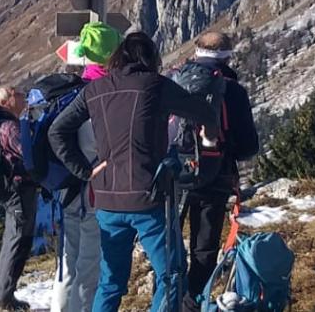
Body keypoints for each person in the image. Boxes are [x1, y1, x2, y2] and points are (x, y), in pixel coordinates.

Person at [49, 32, 218, 312]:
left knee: (111, 279)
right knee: (171, 273)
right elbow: (204, 113)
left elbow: (58, 131)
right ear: (151, 59)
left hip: (105, 198)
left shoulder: (95, 89)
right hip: (148, 196)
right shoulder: (155, 85)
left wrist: (84, 170)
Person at [169, 32, 260, 312]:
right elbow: (248, 146)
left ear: (195, 52)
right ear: (228, 55)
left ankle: (167, 299)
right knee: (204, 247)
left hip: (174, 173)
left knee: (169, 242)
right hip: (215, 174)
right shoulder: (232, 90)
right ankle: (193, 302)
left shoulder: (174, 81)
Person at [51, 22, 119, 312]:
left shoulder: (73, 89)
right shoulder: (104, 94)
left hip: (67, 186)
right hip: (94, 188)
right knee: (90, 263)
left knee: (67, 262)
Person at [0, 86, 37, 311]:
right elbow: (27, 154)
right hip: (19, 189)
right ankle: (4, 298)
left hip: (14, 188)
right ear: (7, 101)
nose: (24, 95)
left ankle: (5, 294)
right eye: (18, 93)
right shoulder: (9, 127)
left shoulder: (3, 124)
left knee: (15, 239)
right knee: (18, 241)